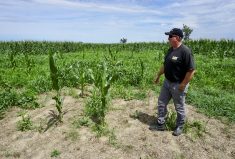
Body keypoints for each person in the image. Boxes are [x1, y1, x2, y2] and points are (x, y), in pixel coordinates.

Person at [149, 28, 195, 136]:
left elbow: (191, 70)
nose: (168, 38)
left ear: (178, 38)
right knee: (161, 102)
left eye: (170, 36)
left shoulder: (185, 51)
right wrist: (158, 75)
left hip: (178, 84)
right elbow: (165, 65)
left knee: (179, 106)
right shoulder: (170, 50)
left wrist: (183, 84)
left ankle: (180, 126)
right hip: (167, 82)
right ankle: (161, 124)